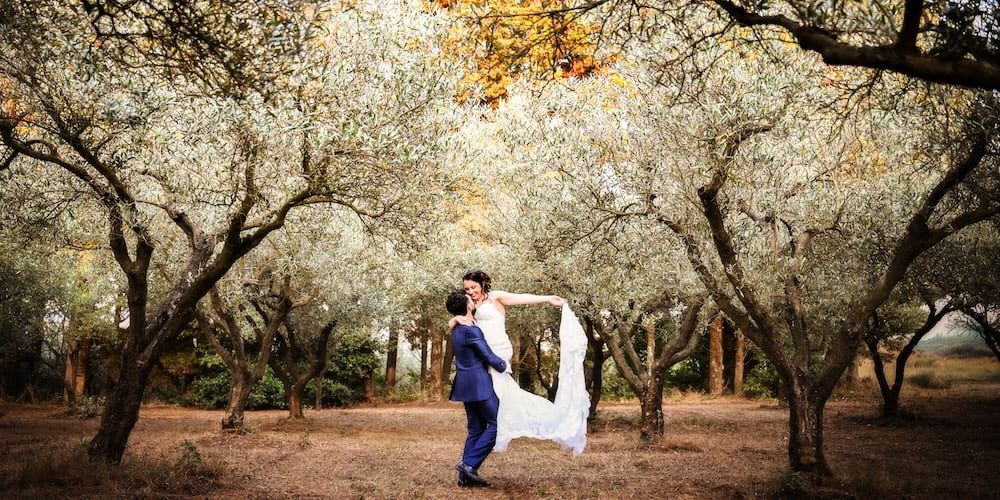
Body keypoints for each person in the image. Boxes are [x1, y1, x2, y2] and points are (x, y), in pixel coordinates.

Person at [458, 269, 589, 455]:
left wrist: (547, 298)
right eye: (467, 288)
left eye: (473, 287)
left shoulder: (495, 298)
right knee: (503, 398)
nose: (470, 291)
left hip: (497, 353)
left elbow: (521, 297)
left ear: (482, 285)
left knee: (502, 400)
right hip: (483, 355)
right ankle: (488, 432)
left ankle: (501, 426)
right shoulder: (468, 304)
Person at [446, 289, 507, 488]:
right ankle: (469, 465)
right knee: (499, 424)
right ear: (468, 306)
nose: (471, 299)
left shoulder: (457, 329)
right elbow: (487, 354)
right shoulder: (471, 330)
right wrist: (502, 365)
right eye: (468, 299)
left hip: (464, 385)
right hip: (479, 384)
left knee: (476, 429)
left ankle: (465, 478)